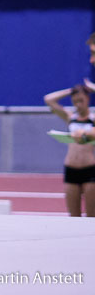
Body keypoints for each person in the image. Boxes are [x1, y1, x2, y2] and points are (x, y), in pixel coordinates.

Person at [44, 75, 95, 217]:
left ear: (88, 100)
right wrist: (71, 91)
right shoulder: (70, 116)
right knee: (73, 218)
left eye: (81, 100)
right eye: (75, 101)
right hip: (71, 169)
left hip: (89, 169)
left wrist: (91, 88)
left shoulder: (93, 118)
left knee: (91, 217)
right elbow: (49, 99)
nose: (78, 104)